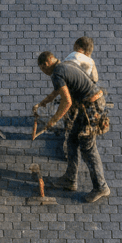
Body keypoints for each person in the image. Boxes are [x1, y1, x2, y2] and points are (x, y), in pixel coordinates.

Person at [34, 51, 110, 202]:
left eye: (42, 69)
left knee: (88, 149)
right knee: (72, 140)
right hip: (90, 105)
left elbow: (67, 101)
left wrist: (53, 120)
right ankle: (70, 179)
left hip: (91, 109)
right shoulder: (65, 65)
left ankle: (101, 187)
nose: (43, 72)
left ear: (46, 64)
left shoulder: (56, 73)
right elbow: (60, 89)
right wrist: (47, 100)